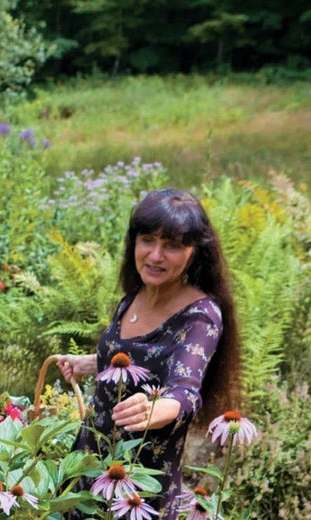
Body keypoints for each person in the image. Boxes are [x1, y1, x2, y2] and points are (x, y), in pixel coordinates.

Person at [56, 188, 241, 519]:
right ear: (134, 242)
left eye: (171, 245)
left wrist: (159, 406)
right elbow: (129, 355)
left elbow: (185, 388)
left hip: (139, 488)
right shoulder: (135, 293)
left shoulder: (199, 316)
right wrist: (88, 364)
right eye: (148, 240)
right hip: (88, 468)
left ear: (194, 253)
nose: (155, 255)